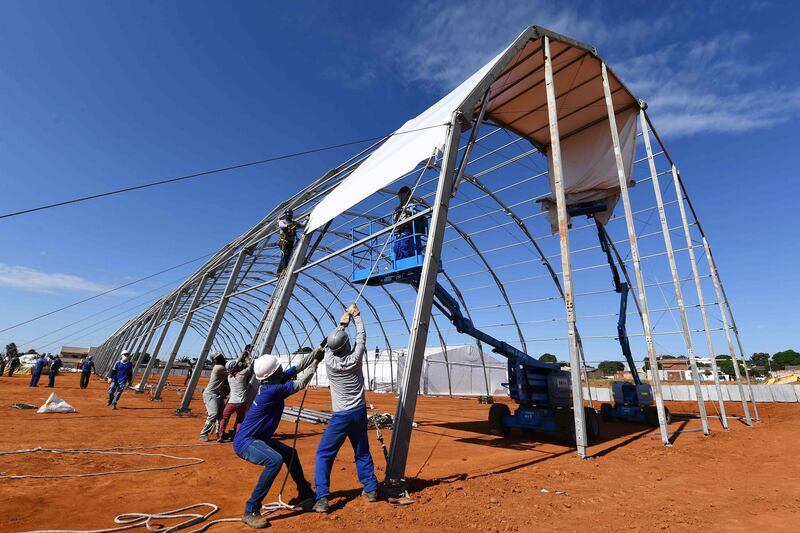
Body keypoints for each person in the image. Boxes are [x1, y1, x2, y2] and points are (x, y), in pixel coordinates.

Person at [233, 348, 322, 528]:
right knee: (275, 460)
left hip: (258, 437)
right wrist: (316, 363)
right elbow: (301, 383)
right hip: (246, 441)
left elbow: (297, 367)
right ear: (274, 373)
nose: (282, 368)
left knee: (291, 454)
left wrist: (317, 351)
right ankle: (251, 509)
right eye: (279, 367)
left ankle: (304, 493)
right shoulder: (271, 391)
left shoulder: (273, 382)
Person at [312, 303, 379, 513]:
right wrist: (356, 315)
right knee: (362, 452)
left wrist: (342, 322)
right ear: (347, 345)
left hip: (340, 416)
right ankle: (370, 489)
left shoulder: (329, 361)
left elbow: (335, 342)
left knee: (324, 453)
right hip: (358, 413)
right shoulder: (356, 358)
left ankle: (322, 498)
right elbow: (361, 336)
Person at [218, 345, 254, 442]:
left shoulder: (229, 377)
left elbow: (235, 365)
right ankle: (236, 435)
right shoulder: (242, 375)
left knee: (224, 417)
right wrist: (247, 357)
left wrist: (242, 354)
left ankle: (221, 435)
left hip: (232, 402)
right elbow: (251, 366)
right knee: (240, 419)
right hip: (242, 402)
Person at [200, 353, 229, 442]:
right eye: (216, 358)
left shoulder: (222, 367)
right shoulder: (218, 368)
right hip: (210, 394)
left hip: (218, 394)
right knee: (213, 414)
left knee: (221, 415)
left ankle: (219, 433)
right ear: (214, 360)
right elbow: (230, 372)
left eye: (219, 357)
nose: (218, 359)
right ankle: (203, 433)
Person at [392, 186, 427, 261]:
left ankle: (406, 260)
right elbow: (396, 220)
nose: (400, 197)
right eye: (400, 195)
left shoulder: (412, 205)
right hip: (400, 232)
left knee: (404, 245)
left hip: (409, 230)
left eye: (402, 195)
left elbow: (419, 216)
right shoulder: (398, 209)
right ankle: (400, 262)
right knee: (396, 247)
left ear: (408, 195)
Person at [277, 209, 305, 275]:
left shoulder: (293, 222)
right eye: (288, 215)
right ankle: (283, 269)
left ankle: (280, 271)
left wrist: (307, 218)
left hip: (290, 243)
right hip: (284, 242)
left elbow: (303, 224)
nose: (289, 216)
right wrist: (288, 226)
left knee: (286, 256)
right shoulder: (282, 221)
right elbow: (281, 225)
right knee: (285, 256)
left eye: (290, 215)